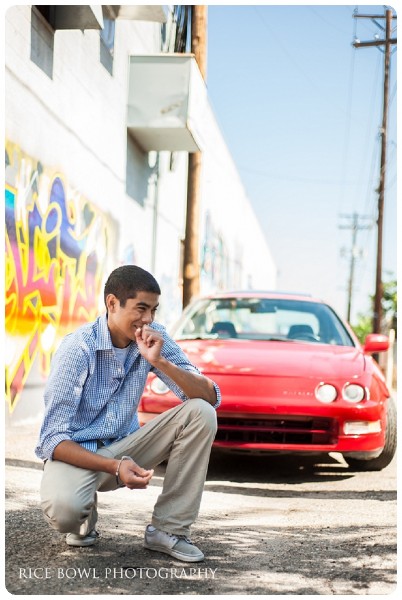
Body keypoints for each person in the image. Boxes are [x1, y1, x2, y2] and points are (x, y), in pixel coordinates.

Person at [35, 265, 221, 563]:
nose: (148, 319)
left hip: (128, 446)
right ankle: (84, 513)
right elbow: (52, 440)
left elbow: (210, 397)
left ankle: (168, 530)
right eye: (141, 308)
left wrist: (160, 362)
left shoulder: (153, 337)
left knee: (200, 413)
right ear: (112, 304)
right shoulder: (77, 348)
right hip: (79, 453)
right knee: (65, 513)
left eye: (154, 310)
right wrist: (114, 466)